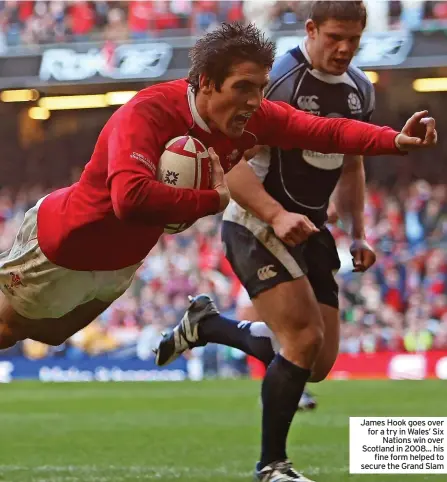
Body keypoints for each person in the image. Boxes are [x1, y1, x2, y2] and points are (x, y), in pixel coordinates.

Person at [153, 7, 437, 482]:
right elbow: (232, 160)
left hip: (309, 227)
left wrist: (359, 231)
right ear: (311, 30)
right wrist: (275, 213)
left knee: (318, 363)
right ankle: (272, 466)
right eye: (334, 37)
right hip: (255, 219)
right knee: (302, 341)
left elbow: (351, 166)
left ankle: (209, 326)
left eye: (353, 38)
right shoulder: (277, 79)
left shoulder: (359, 88)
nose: (344, 48)